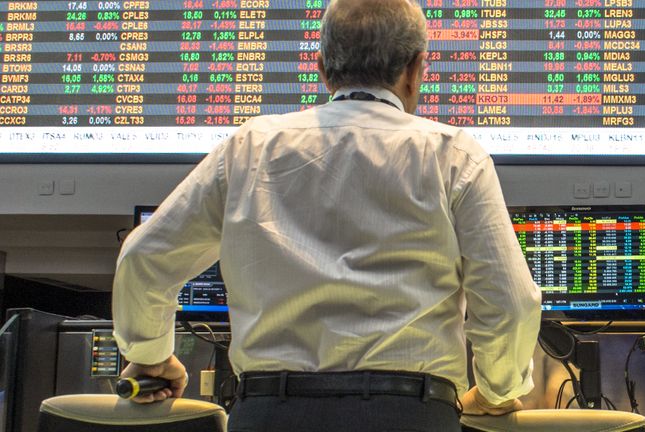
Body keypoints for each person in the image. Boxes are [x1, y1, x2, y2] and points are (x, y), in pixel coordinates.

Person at [111, 0, 541, 430]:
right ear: (415, 69)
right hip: (409, 415)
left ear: (321, 68)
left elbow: (145, 257)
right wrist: (496, 391)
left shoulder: (250, 147)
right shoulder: (453, 154)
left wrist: (150, 355)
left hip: (268, 415)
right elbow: (511, 301)